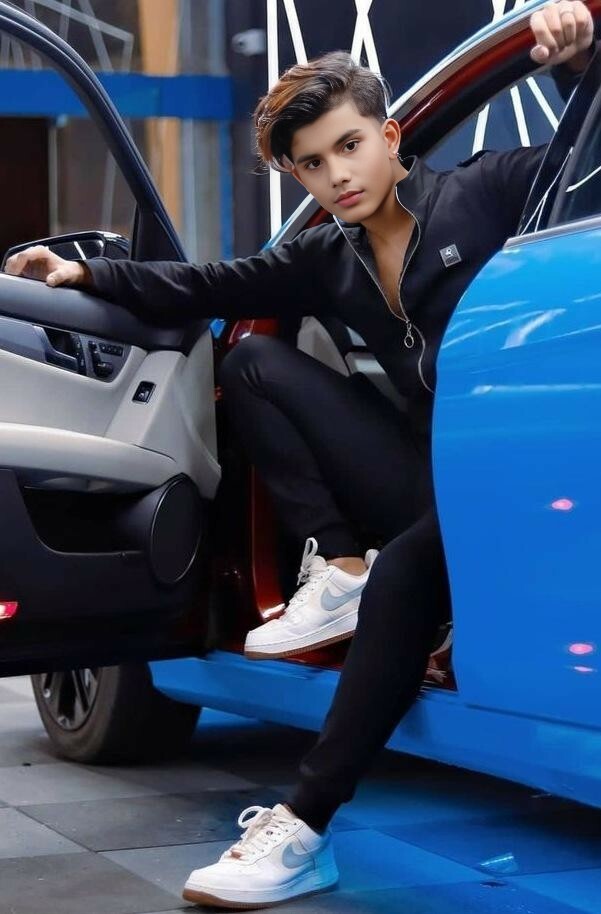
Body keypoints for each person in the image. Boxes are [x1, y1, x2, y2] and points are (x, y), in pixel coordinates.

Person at [5, 2, 596, 908]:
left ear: (390, 136)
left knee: (409, 575)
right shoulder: (326, 257)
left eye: (349, 145)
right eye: (311, 164)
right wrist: (85, 273)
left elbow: (586, 163)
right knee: (251, 361)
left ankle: (304, 822)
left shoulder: (487, 190)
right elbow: (208, 285)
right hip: (427, 480)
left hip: (497, 475)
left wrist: (576, 65)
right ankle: (341, 568)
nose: (337, 175)